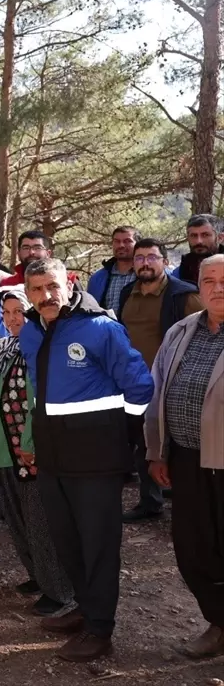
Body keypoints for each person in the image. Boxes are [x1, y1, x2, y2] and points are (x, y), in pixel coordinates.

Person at [19, 258, 153, 662]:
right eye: (37, 289)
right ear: (28, 293)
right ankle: (85, 607)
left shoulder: (101, 328)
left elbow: (140, 387)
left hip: (95, 458)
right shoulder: (31, 330)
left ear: (70, 283)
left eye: (53, 286)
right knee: (67, 540)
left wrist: (121, 436)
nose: (46, 295)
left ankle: (100, 629)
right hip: (53, 455)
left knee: (97, 545)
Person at [145, 255, 224, 660]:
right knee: (194, 550)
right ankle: (219, 623)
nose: (217, 288)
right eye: (209, 281)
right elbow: (157, 393)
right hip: (188, 459)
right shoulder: (181, 331)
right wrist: (157, 452)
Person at [0, 290, 74, 616]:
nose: (12, 318)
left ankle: (58, 590)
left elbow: (40, 402)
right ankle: (39, 576)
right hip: (2, 449)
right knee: (18, 520)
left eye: (19, 311)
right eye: (6, 312)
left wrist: (30, 443)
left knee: (40, 523)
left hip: (29, 452)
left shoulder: (39, 349)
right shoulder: (2, 350)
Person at [118, 238, 202, 523]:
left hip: (172, 382)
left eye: (152, 257)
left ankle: (187, 505)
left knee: (177, 445)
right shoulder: (128, 293)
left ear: (165, 262)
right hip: (135, 384)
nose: (145, 263)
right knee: (144, 443)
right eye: (139, 258)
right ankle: (150, 501)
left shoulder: (184, 295)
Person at [0, 231, 78, 290]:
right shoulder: (7, 285)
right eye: (26, 248)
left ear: (48, 253)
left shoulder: (67, 280)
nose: (31, 252)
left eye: (37, 248)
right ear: (18, 254)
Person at [87, 227, 138, 314]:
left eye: (127, 241)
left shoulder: (146, 274)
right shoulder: (97, 278)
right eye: (117, 241)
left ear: (138, 245)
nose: (121, 245)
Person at [173, 214, 224, 285]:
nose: (198, 241)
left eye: (205, 235)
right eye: (194, 235)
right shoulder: (179, 273)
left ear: (220, 238)